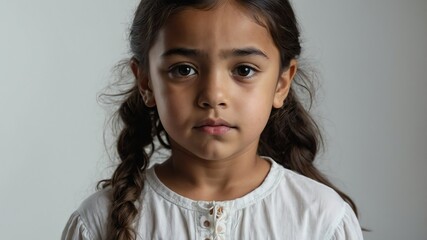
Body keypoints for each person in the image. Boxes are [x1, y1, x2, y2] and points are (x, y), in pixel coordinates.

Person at [62, 0, 364, 239]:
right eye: (183, 69)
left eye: (244, 70)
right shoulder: (96, 223)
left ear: (282, 83)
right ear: (146, 83)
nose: (213, 95)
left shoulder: (323, 220)